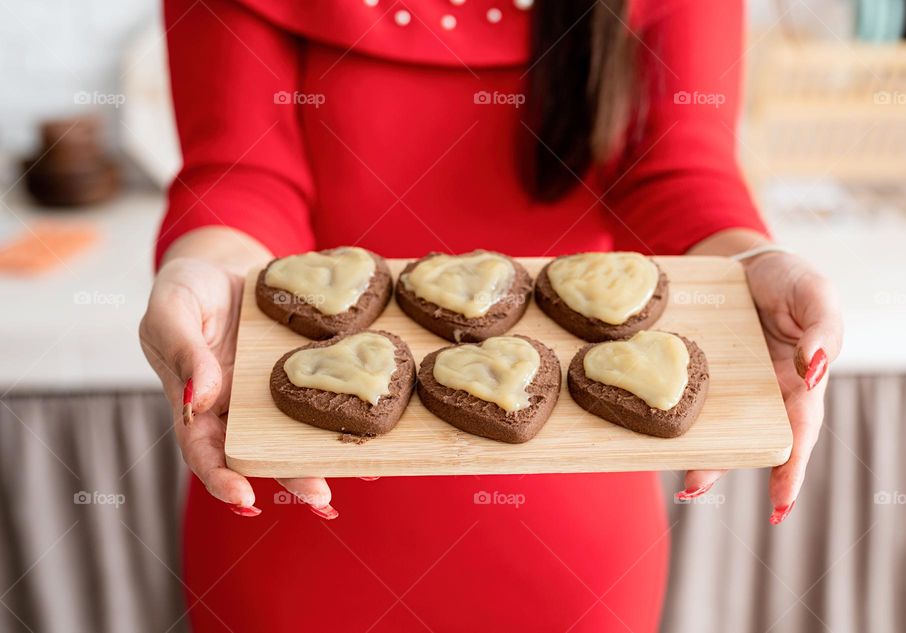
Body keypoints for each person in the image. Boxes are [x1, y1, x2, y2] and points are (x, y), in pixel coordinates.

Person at [139, 0, 843, 630]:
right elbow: (243, 173)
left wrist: (753, 263)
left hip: (571, 529)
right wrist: (210, 268)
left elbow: (676, 170)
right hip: (291, 521)